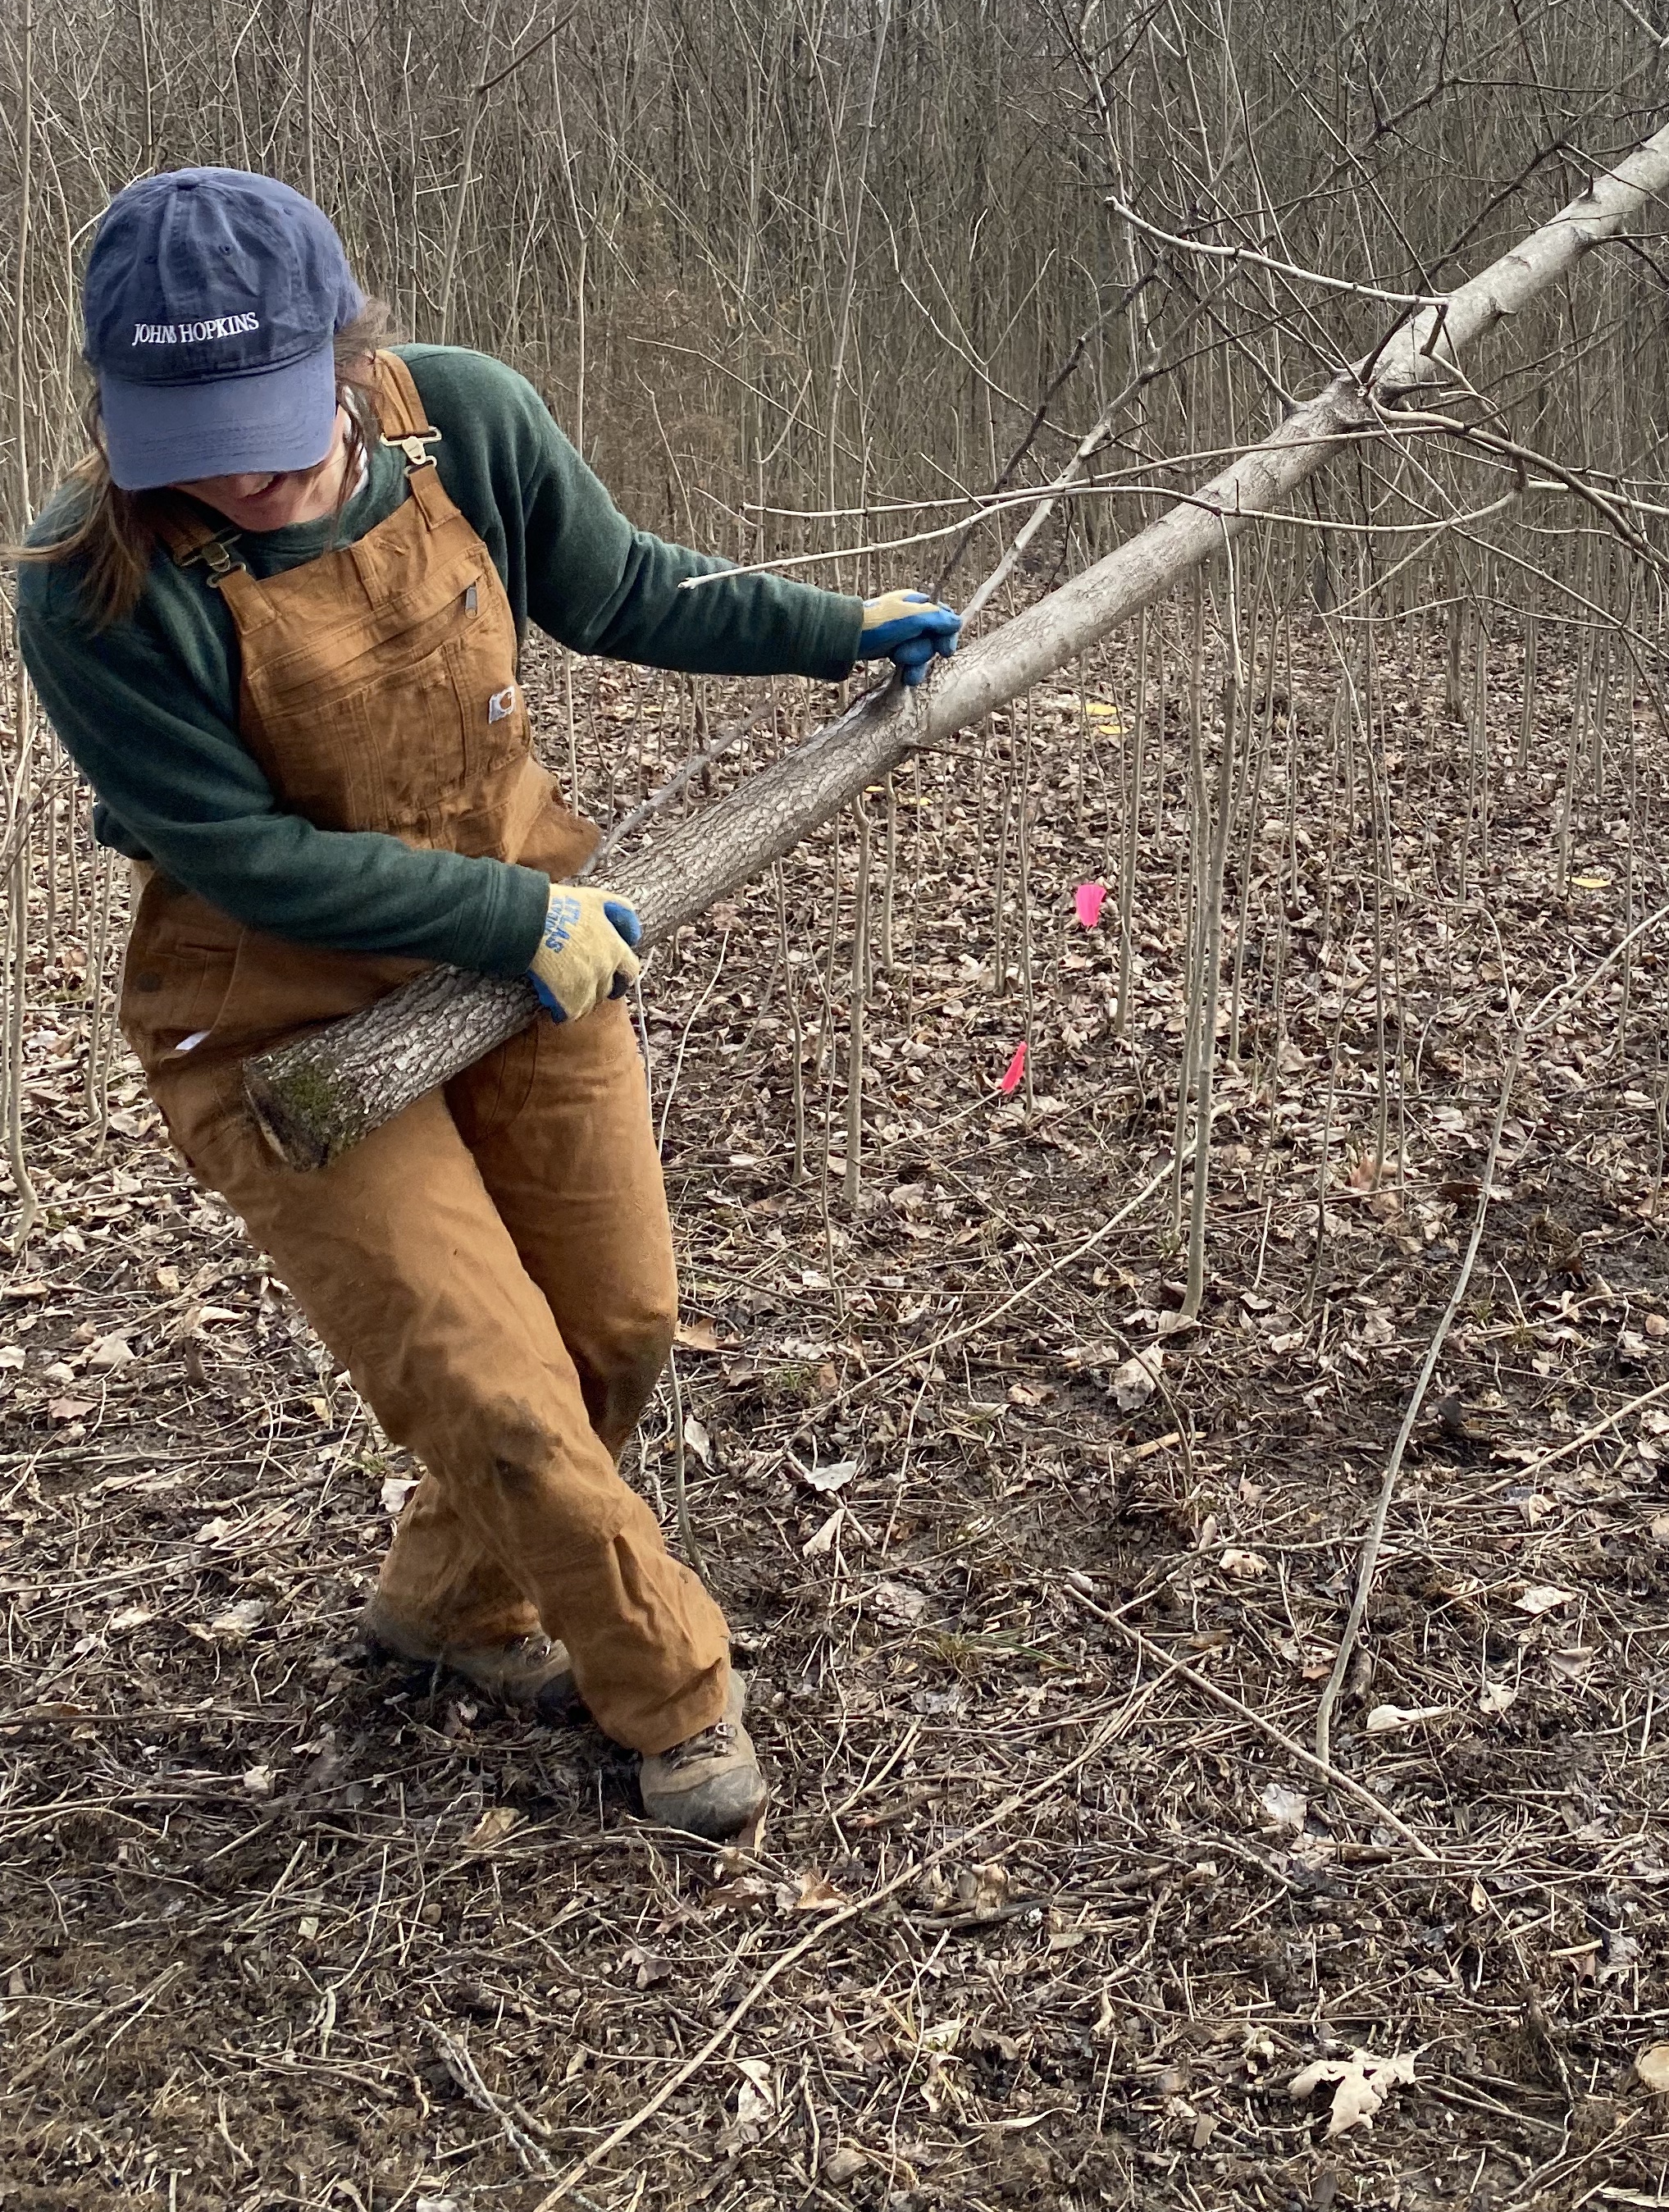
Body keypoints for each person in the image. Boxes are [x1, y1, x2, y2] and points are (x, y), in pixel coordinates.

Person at [15, 168, 960, 1842]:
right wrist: (515, 914)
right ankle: (670, 1691)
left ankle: (447, 1605)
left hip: (531, 955)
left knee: (618, 1329)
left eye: (266, 420)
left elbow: (626, 590)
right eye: (187, 435)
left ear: (345, 345)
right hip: (280, 1027)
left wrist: (840, 635)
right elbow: (245, 856)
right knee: (494, 1378)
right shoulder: (89, 583)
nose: (234, 471)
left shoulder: (463, 422)